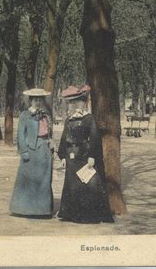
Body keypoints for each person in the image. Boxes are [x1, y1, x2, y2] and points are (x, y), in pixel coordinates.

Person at [57, 85, 114, 224]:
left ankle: (86, 215)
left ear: (83, 104)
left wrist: (92, 156)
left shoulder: (89, 119)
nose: (74, 106)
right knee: (71, 185)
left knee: (86, 185)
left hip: (84, 156)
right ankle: (70, 214)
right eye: (72, 103)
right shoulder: (69, 120)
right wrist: (63, 156)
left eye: (77, 103)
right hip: (71, 157)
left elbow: (94, 137)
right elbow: (64, 138)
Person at [9, 88, 54, 218]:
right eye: (35, 100)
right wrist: (24, 152)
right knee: (28, 181)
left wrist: (51, 145)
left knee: (44, 180)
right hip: (31, 151)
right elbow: (20, 136)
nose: (38, 102)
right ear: (30, 101)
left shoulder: (45, 115)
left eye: (40, 100)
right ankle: (24, 209)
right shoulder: (25, 115)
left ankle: (42, 210)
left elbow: (49, 133)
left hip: (44, 150)